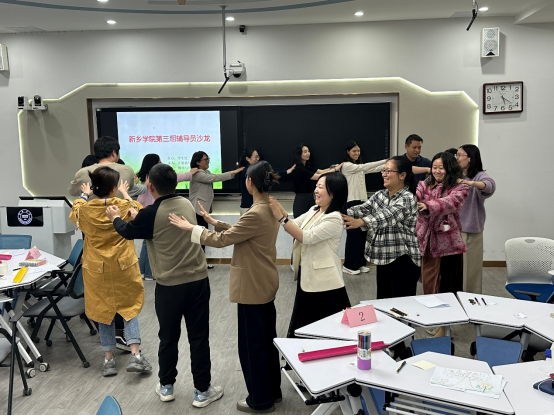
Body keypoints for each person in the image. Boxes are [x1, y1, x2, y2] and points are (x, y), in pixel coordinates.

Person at [106, 163, 223, 408]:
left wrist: (115, 217)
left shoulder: (150, 214)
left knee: (168, 338)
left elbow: (127, 231)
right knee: (199, 338)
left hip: (169, 288)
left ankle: (167, 386)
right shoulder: (186, 204)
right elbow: (159, 225)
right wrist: (139, 218)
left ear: (150, 187)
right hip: (198, 282)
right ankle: (202, 391)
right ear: (175, 183)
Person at [170, 161, 282, 414]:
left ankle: (260, 400)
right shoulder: (269, 206)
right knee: (266, 341)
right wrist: (215, 221)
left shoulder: (256, 212)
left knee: (252, 346)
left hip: (252, 285)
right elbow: (243, 232)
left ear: (249, 182)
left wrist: (193, 228)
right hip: (264, 282)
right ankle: (272, 392)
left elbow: (222, 241)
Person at [69, 166, 151, 377]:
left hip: (97, 268)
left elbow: (75, 211)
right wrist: (126, 193)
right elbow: (139, 211)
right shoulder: (123, 206)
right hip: (123, 265)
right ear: (114, 188)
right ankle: (136, 355)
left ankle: (108, 360)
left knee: (102, 310)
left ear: (94, 188)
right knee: (129, 307)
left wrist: (84, 194)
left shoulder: (86, 210)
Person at [270, 172, 351, 338]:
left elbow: (306, 237)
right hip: (307, 275)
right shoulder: (314, 209)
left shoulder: (334, 218)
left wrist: (282, 219)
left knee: (327, 325)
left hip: (325, 281)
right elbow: (295, 224)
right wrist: (280, 212)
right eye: (316, 186)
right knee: (305, 321)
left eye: (320, 187)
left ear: (333, 193)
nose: (316, 191)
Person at [342, 156, 421, 300]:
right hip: (384, 258)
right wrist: (337, 213)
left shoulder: (407, 198)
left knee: (401, 305)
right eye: (383, 171)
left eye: (388, 171)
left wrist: (361, 222)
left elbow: (388, 216)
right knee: (384, 301)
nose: (384, 174)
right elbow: (361, 209)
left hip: (403, 259)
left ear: (402, 175)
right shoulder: (380, 195)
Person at [416, 152, 469, 338]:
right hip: (428, 242)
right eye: (434, 167)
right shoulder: (424, 184)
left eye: (441, 168)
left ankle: (445, 328)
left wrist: (429, 205)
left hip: (449, 246)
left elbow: (452, 202)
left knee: (447, 287)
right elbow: (417, 198)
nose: (437, 171)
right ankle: (437, 321)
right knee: (429, 284)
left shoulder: (460, 186)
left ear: (450, 168)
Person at [135, 154, 199, 281]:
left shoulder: (140, 176)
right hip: (153, 210)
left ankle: (141, 271)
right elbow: (178, 177)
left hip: (142, 209)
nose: (161, 163)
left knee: (146, 242)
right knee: (151, 243)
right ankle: (149, 273)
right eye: (159, 161)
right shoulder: (157, 177)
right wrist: (190, 173)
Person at [188, 151, 244, 268]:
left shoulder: (205, 172)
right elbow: (216, 178)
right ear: (198, 162)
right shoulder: (198, 174)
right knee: (199, 236)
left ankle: (201, 262)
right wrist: (233, 172)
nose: (208, 161)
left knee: (202, 236)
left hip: (202, 210)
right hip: (197, 210)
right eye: (205, 159)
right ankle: (198, 263)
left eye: (208, 158)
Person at [340, 140, 387, 275]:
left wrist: (389, 164)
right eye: (354, 151)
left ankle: (360, 263)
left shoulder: (358, 167)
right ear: (348, 152)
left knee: (363, 234)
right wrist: (386, 160)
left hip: (363, 203)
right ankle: (349, 265)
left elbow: (373, 169)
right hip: (351, 203)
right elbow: (365, 167)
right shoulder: (347, 166)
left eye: (358, 151)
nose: (357, 153)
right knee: (354, 235)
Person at [456, 145, 496, 294]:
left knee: (470, 270)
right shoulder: (456, 174)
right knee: (454, 270)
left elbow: (489, 186)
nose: (457, 158)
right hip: (451, 230)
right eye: (456, 155)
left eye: (460, 155)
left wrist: (471, 183)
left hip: (469, 231)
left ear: (470, 158)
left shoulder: (479, 176)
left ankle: (470, 300)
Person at [69, 136, 136, 199]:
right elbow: (130, 188)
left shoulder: (82, 172)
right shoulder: (128, 170)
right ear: (113, 153)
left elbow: (72, 192)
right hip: (120, 208)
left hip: (92, 208)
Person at [290, 144, 343, 219]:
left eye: (308, 151)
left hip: (310, 196)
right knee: (300, 220)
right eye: (305, 152)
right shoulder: (299, 168)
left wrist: (334, 167)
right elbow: (318, 176)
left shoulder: (307, 166)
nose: (308, 153)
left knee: (311, 219)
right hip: (302, 199)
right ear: (299, 154)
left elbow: (321, 171)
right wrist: (335, 169)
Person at [238, 148, 295, 216]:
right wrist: (286, 171)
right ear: (248, 159)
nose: (258, 159)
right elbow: (269, 171)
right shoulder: (248, 171)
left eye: (258, 157)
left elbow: (271, 170)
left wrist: (286, 170)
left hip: (256, 206)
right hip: (248, 207)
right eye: (255, 157)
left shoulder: (253, 170)